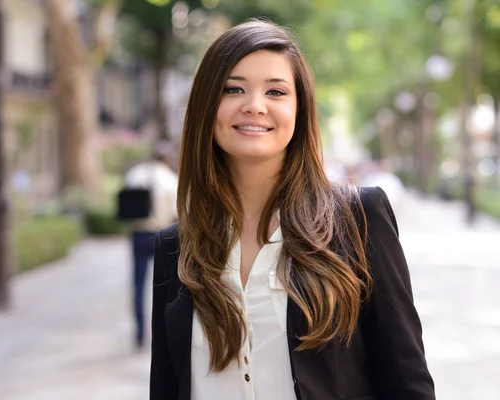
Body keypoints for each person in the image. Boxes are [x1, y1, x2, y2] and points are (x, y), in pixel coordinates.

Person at [150, 20, 435, 400]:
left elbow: (407, 380)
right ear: (206, 105)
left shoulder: (358, 218)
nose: (254, 105)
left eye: (276, 91)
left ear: (299, 109)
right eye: (233, 89)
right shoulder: (175, 247)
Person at [124, 141, 178, 348]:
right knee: (167, 287)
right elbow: (178, 213)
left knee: (138, 284)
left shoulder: (134, 174)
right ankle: (164, 333)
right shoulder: (171, 179)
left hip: (138, 233)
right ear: (167, 159)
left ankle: (139, 333)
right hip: (162, 234)